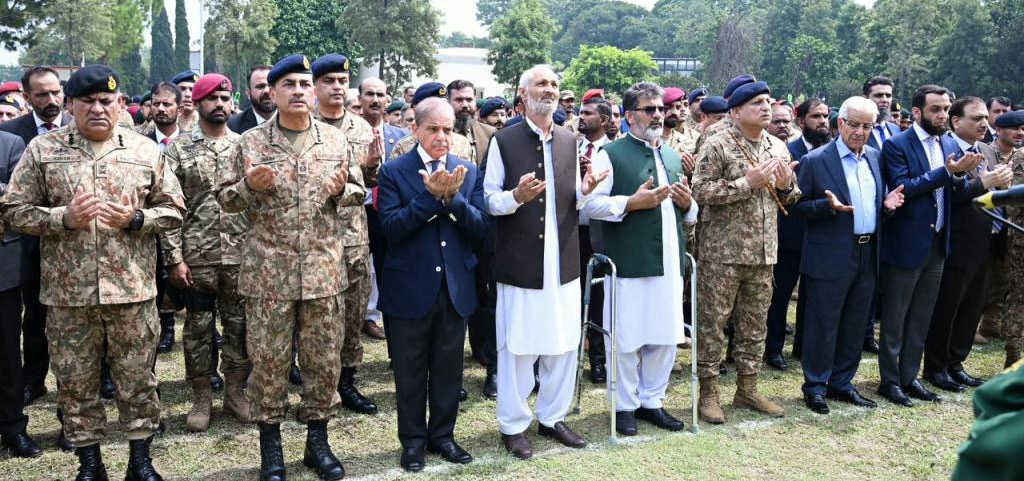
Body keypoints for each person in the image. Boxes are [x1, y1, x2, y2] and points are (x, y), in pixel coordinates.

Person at [1, 64, 185, 481]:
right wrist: (62, 218)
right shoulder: (44, 150)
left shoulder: (144, 150)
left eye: (107, 101)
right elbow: (13, 210)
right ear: (70, 104)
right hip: (69, 298)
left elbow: (174, 209)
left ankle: (141, 462)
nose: (99, 109)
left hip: (132, 293)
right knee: (75, 383)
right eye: (89, 101)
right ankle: (90, 464)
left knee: (138, 380)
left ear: (120, 104)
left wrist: (137, 219)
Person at [215, 54, 364, 481]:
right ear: (273, 92)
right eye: (288, 85)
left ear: (313, 92)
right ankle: (272, 448)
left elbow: (357, 190)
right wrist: (248, 186)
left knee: (323, 362)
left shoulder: (335, 141)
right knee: (269, 364)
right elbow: (224, 199)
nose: (298, 91)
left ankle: (318, 442)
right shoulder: (249, 143)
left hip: (323, 273)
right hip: (269, 276)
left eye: (304, 84)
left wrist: (342, 191)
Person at [484, 64, 607, 460]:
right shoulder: (504, 141)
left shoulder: (570, 140)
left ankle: (552, 417)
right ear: (523, 94)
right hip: (521, 262)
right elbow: (488, 200)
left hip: (564, 261)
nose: (550, 89)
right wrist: (515, 198)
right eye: (541, 83)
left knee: (564, 343)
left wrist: (586, 191)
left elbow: (573, 201)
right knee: (518, 347)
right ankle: (513, 424)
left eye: (554, 84)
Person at [376, 97, 488, 472]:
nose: (442, 137)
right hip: (409, 288)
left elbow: (482, 229)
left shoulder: (467, 171)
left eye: (448, 129)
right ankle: (412, 441)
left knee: (448, 369)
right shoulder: (394, 171)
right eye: (433, 129)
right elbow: (390, 228)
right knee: (409, 371)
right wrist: (430, 197)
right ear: (415, 129)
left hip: (454, 288)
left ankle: (443, 436)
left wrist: (453, 199)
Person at [583, 82, 698, 435]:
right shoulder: (611, 154)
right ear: (630, 116)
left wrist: (687, 204)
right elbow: (591, 206)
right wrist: (630, 203)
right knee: (626, 337)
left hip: (669, 263)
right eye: (650, 110)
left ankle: (652, 400)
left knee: (664, 335)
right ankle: (624, 405)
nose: (659, 115)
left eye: (661, 109)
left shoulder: (673, 156)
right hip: (629, 263)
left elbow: (690, 213)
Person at [691, 81, 801, 424]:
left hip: (763, 252)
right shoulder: (718, 142)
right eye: (757, 103)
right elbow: (700, 191)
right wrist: (746, 183)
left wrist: (786, 186)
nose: (766, 107)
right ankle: (709, 393)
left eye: (767, 101)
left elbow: (790, 197)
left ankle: (748, 388)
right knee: (713, 324)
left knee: (755, 324)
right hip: (721, 253)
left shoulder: (777, 146)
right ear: (736, 112)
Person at [793, 96, 906, 415]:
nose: (860, 132)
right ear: (839, 123)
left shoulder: (875, 157)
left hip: (867, 251)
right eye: (854, 124)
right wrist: (825, 206)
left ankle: (842, 382)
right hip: (830, 253)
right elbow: (796, 206)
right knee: (823, 323)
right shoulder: (816, 160)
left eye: (867, 126)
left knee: (856, 322)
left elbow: (875, 202)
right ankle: (816, 385)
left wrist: (887, 206)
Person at [876, 84, 982, 408]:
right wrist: (947, 172)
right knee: (895, 319)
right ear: (917, 111)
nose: (943, 115)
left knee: (921, 317)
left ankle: (910, 377)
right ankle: (890, 381)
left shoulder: (947, 142)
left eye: (946, 109)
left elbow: (953, 190)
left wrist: (963, 177)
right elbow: (903, 188)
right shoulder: (897, 144)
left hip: (938, 242)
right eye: (936, 109)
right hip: (906, 243)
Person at [158, 74, 252, 433]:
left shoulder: (244, 145)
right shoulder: (177, 150)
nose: (219, 104)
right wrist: (174, 258)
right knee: (198, 329)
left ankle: (235, 391)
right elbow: (169, 209)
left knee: (239, 325)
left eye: (225, 98)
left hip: (240, 255)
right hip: (196, 257)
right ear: (196, 104)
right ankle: (201, 397)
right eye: (211, 98)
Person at [923, 97, 1010, 393]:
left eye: (985, 117)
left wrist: (1001, 184)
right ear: (956, 121)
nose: (984, 123)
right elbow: (951, 195)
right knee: (949, 306)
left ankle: (956, 362)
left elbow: (993, 192)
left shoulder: (986, 150)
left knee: (973, 307)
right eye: (976, 118)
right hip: (959, 242)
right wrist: (984, 183)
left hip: (989, 239)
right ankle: (936, 366)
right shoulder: (946, 150)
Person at [310, 53, 380, 415]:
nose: (337, 87)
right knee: (315, 318)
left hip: (352, 236)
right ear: (315, 87)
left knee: (352, 314)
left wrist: (373, 166)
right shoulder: (304, 125)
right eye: (329, 81)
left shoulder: (362, 129)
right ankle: (316, 383)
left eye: (342, 81)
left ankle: (347, 381)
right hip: (311, 238)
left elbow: (372, 183)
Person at [0, 67, 70, 409]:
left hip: (75, 241)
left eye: (56, 92)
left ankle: (95, 379)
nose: (51, 100)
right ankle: (34, 379)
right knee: (36, 316)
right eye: (42, 94)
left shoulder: (80, 127)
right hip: (28, 243)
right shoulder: (12, 133)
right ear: (27, 98)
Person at [765, 98, 829, 370]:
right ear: (801, 121)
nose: (822, 122)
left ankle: (803, 347)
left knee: (813, 296)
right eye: (816, 117)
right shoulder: (787, 152)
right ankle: (773, 349)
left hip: (822, 235)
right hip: (790, 235)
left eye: (825, 116)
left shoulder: (832, 151)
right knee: (780, 297)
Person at [0, 129, 41, 458]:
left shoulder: (10, 144)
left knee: (7, 354)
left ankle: (13, 427)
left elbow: (21, 199)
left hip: (2, 267)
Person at [358, 76, 407, 340]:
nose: (375, 99)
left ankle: (385, 326)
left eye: (380, 94)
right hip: (357, 211)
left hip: (387, 214)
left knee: (388, 272)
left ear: (387, 99)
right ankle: (358, 320)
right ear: (360, 99)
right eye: (369, 94)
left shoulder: (400, 137)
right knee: (357, 272)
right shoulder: (348, 134)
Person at [576, 97, 614, 384]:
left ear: (604, 120)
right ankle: (570, 357)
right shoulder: (570, 148)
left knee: (599, 299)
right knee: (572, 297)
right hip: (571, 234)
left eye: (588, 113)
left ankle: (598, 360)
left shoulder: (614, 152)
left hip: (600, 234)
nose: (581, 116)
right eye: (580, 112)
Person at [993, 111, 1024, 367]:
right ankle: (1014, 359)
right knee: (1020, 299)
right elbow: (1015, 199)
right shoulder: (1021, 157)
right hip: (1022, 241)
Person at [390, 83, 474, 161]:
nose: (439, 111)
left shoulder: (462, 144)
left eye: (443, 106)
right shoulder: (403, 147)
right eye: (432, 108)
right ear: (415, 111)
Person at [228, 65, 275, 134]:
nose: (267, 91)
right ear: (248, 93)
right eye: (260, 86)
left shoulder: (291, 121)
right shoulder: (232, 126)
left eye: (271, 86)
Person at [661, 87, 698, 176]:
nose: (674, 112)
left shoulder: (687, 141)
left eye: (677, 107)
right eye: (669, 108)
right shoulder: (649, 141)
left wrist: (689, 173)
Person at [863, 76, 901, 151]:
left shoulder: (895, 129)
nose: (885, 100)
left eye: (888, 96)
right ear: (865, 99)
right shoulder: (856, 130)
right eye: (878, 95)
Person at [146, 82, 183, 148]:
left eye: (166, 104)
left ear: (179, 110)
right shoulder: (141, 144)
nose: (160, 109)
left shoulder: (192, 143)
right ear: (151, 108)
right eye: (156, 104)